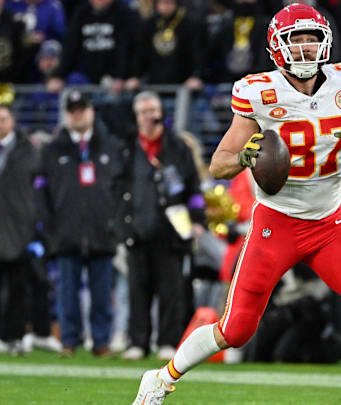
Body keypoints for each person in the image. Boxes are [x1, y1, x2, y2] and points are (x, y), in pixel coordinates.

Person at [132, 4, 341, 405]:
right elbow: (219, 163)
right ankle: (161, 378)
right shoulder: (258, 92)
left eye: (312, 38)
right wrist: (245, 157)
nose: (306, 47)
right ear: (279, 46)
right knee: (236, 329)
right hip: (276, 222)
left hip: (329, 223)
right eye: (297, 39)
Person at [36, 90, 125, 357]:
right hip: (66, 232)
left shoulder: (110, 146)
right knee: (67, 293)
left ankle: (101, 342)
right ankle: (69, 341)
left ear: (91, 111)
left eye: (81, 109)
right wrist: (49, 228)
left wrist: (116, 223)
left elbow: (121, 190)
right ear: (65, 114)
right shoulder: (52, 149)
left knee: (102, 293)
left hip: (102, 231)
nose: (77, 114)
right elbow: (41, 193)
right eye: (72, 110)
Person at [120, 91, 206, 361]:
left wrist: (198, 220)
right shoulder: (127, 146)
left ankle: (167, 341)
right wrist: (121, 223)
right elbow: (117, 187)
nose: (150, 116)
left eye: (153, 110)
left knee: (172, 289)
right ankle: (138, 342)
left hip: (172, 230)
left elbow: (194, 186)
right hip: (137, 227)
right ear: (136, 116)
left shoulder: (178, 146)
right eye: (144, 111)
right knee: (137, 290)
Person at [0, 106, 41, 354]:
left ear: (13, 121)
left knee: (19, 287)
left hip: (20, 228)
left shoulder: (29, 150)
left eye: (3, 119)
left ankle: (14, 336)